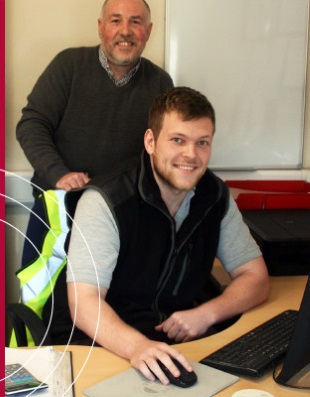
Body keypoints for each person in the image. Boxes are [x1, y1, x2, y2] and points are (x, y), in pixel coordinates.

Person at [65, 86, 269, 385]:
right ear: (151, 141)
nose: (191, 155)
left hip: (172, 345)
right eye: (177, 140)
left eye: (202, 142)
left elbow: (256, 278)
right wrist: (137, 347)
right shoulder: (106, 200)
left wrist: (207, 314)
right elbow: (84, 303)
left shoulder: (215, 197)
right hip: (101, 345)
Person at [16, 0, 173, 198]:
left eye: (135, 22)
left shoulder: (160, 82)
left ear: (148, 31)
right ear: (101, 27)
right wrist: (59, 174)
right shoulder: (68, 66)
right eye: (116, 20)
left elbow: (166, 147)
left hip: (123, 207)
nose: (125, 31)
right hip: (60, 198)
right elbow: (31, 126)